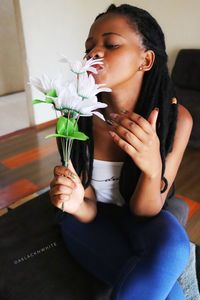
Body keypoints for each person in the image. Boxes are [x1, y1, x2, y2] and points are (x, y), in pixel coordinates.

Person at [50, 4, 193, 299]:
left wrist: (152, 167)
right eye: (89, 47)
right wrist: (75, 202)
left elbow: (146, 212)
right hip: (88, 219)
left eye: (111, 44)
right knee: (174, 295)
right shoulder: (72, 118)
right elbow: (86, 210)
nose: (93, 53)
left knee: (176, 247)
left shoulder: (176, 121)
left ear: (146, 59)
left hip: (141, 218)